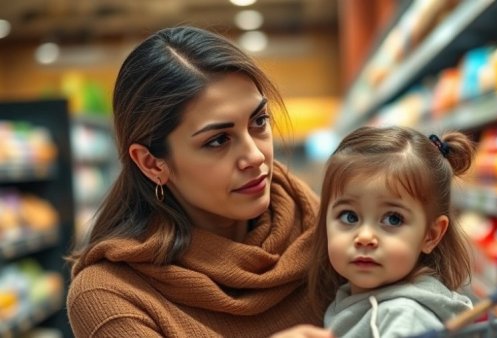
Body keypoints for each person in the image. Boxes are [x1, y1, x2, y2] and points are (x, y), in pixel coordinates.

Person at [66, 26, 333, 337]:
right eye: (218, 140)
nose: (256, 156)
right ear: (152, 163)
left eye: (259, 122)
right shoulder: (111, 295)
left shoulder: (330, 227)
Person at [307, 126, 475, 337]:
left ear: (431, 235)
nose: (365, 237)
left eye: (393, 219)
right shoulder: (351, 297)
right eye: (349, 216)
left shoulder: (404, 320)